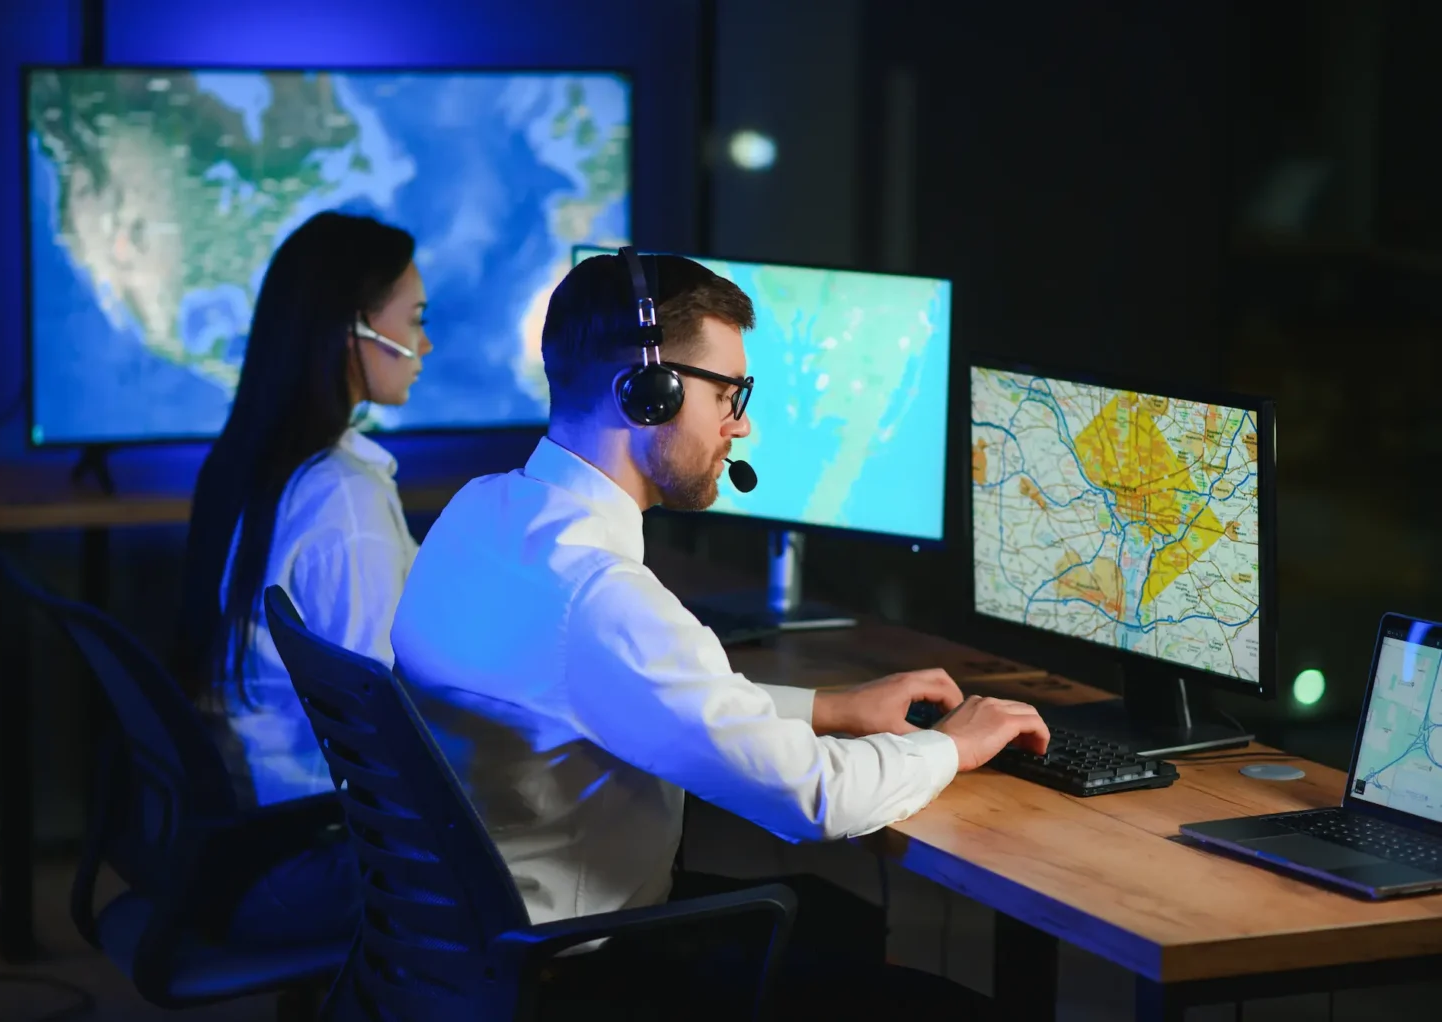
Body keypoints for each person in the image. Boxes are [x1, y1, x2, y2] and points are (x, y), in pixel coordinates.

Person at [389, 250, 1050, 1012]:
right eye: (727, 394)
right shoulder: (601, 598)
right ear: (646, 394)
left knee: (835, 918)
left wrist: (830, 708)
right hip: (577, 977)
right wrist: (954, 745)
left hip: (466, 961)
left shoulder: (480, 513)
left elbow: (644, 693)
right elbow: (814, 797)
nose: (742, 423)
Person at [174, 210, 432, 944]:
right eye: (415, 320)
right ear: (356, 329)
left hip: (237, 837)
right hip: (308, 854)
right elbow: (386, 729)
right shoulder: (343, 499)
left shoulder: (253, 460)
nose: (423, 344)